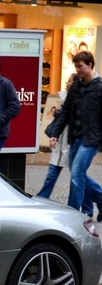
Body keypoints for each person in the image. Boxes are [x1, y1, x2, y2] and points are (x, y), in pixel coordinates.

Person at [48, 51, 102, 218]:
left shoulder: (99, 87)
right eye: (76, 66)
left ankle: (72, 214)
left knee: (77, 175)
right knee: (78, 175)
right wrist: (55, 134)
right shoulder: (76, 86)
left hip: (91, 140)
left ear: (90, 65)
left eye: (80, 66)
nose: (77, 69)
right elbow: (65, 112)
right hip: (75, 137)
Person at [37, 73, 79, 200]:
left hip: (71, 142)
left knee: (78, 178)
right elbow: (62, 118)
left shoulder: (77, 98)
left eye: (70, 81)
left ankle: (91, 203)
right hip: (61, 142)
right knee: (54, 174)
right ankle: (42, 197)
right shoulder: (64, 97)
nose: (67, 83)